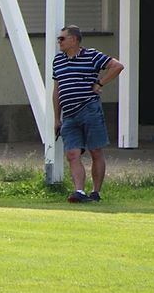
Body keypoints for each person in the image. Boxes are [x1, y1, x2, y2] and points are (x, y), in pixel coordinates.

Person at [53, 25, 125, 203]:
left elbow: (117, 66)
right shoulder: (58, 60)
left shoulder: (91, 55)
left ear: (74, 40)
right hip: (69, 114)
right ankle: (79, 191)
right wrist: (56, 117)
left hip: (89, 109)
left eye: (62, 38)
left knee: (95, 150)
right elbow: (57, 90)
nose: (59, 42)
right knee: (72, 154)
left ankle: (95, 192)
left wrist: (100, 83)